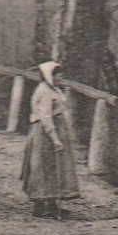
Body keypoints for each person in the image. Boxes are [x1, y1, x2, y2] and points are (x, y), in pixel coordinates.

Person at [21, 60, 80, 219]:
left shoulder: (53, 89)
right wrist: (54, 138)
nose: (60, 78)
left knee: (55, 167)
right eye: (57, 76)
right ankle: (41, 205)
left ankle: (52, 204)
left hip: (56, 129)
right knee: (44, 167)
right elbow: (45, 116)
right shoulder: (45, 91)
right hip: (45, 133)